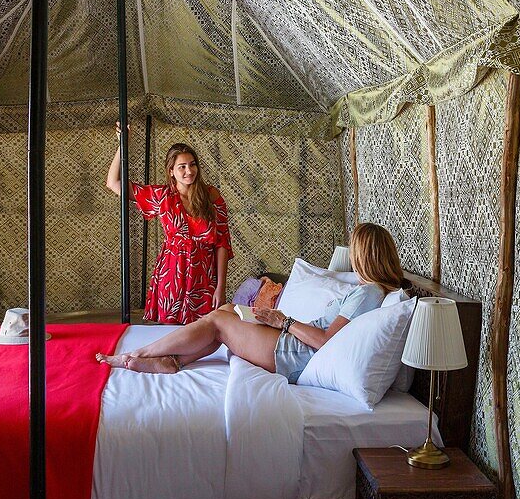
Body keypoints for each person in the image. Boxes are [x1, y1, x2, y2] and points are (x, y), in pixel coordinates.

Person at [95, 222, 406, 381]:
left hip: (291, 355)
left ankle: (138, 353)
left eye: (354, 249)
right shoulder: (369, 290)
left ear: (364, 255)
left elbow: (325, 340)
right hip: (290, 344)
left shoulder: (367, 293)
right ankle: (175, 361)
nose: (350, 255)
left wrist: (284, 321)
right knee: (228, 310)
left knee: (218, 322)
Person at [107, 124, 233, 324]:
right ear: (171, 171)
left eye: (192, 164)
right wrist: (123, 144)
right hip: (172, 274)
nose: (189, 171)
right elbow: (114, 183)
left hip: (204, 278)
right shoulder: (162, 196)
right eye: (182, 167)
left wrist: (221, 287)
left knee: (204, 332)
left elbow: (222, 243)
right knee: (170, 332)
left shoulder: (211, 196)